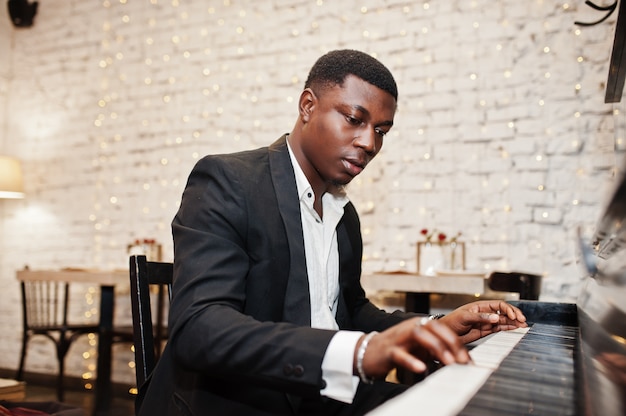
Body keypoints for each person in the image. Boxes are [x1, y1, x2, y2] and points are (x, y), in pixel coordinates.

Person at [136, 49, 527, 415]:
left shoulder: (344, 213)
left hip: (319, 393)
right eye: (355, 119)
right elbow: (200, 329)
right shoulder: (229, 181)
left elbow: (351, 312)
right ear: (308, 106)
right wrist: (359, 353)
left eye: (382, 130)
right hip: (232, 400)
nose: (369, 142)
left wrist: (438, 328)